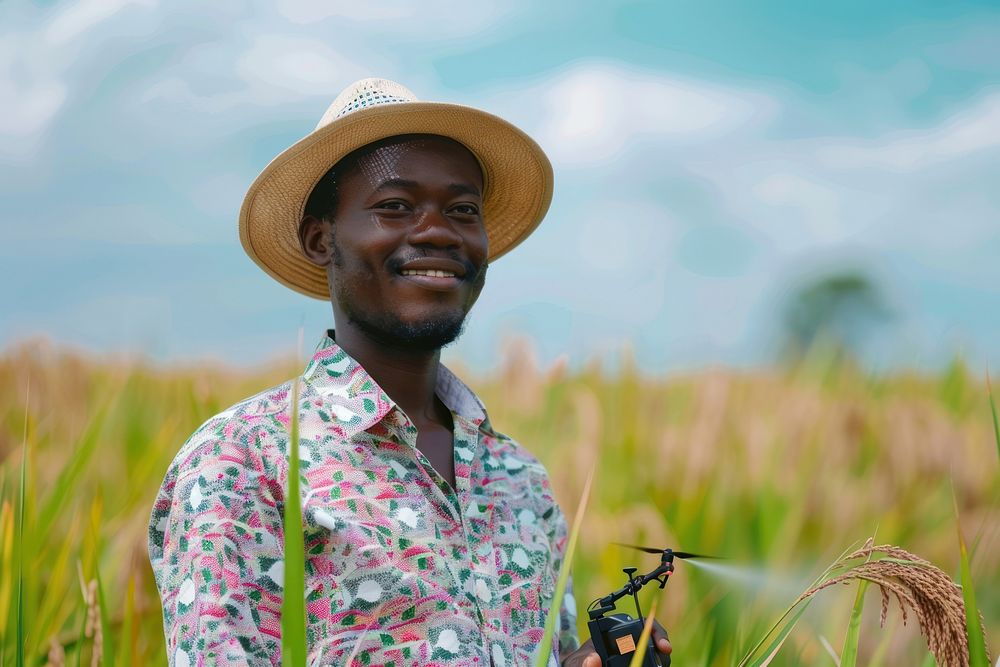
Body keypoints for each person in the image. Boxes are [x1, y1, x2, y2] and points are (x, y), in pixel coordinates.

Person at [148, 78, 671, 667]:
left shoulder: (519, 479)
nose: (438, 231)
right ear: (322, 241)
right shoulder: (245, 461)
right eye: (394, 206)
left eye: (462, 210)